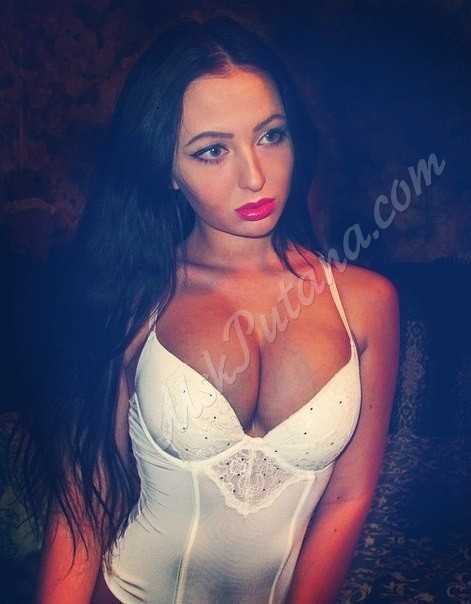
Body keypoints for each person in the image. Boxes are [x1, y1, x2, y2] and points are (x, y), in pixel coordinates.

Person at [11, 14, 400, 604]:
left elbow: (349, 498)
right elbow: (85, 497)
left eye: (271, 135)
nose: (255, 176)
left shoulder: (366, 304)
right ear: (166, 169)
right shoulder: (130, 296)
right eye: (212, 150)